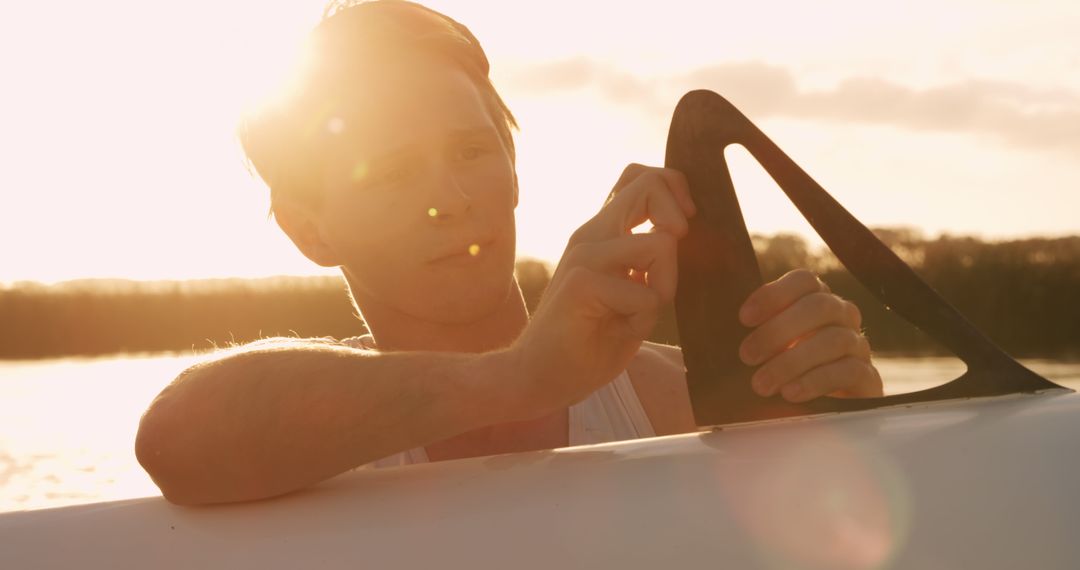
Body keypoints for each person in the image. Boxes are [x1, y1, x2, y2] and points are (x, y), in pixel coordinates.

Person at [135, 0, 882, 506]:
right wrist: (522, 379)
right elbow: (171, 437)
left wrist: (854, 415)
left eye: (470, 150)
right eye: (391, 172)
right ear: (310, 231)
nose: (451, 199)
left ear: (514, 168)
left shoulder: (673, 397)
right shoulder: (304, 422)